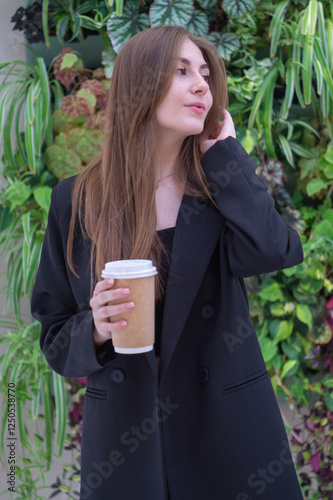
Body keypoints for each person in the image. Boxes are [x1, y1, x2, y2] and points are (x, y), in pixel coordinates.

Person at [31, 25, 304, 500]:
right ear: (140, 83)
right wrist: (96, 326)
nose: (202, 84)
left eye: (204, 73)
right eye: (181, 71)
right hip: (125, 443)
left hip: (227, 437)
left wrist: (228, 157)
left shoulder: (218, 184)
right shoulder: (76, 199)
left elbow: (274, 251)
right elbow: (55, 336)